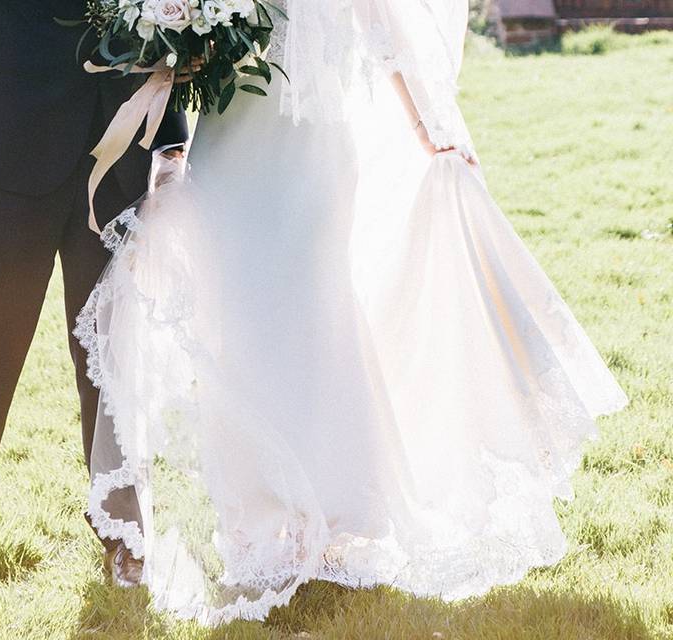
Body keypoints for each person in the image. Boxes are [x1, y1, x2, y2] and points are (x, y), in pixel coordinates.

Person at [74, 0, 629, 625]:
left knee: (316, 317)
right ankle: (261, 524)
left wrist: (428, 125)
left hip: (313, 144)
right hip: (230, 142)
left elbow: (381, 22)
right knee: (243, 326)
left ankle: (339, 517)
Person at [0, 0, 188, 586]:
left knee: (111, 360)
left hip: (121, 158)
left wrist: (170, 143)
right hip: (8, 153)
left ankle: (124, 536)